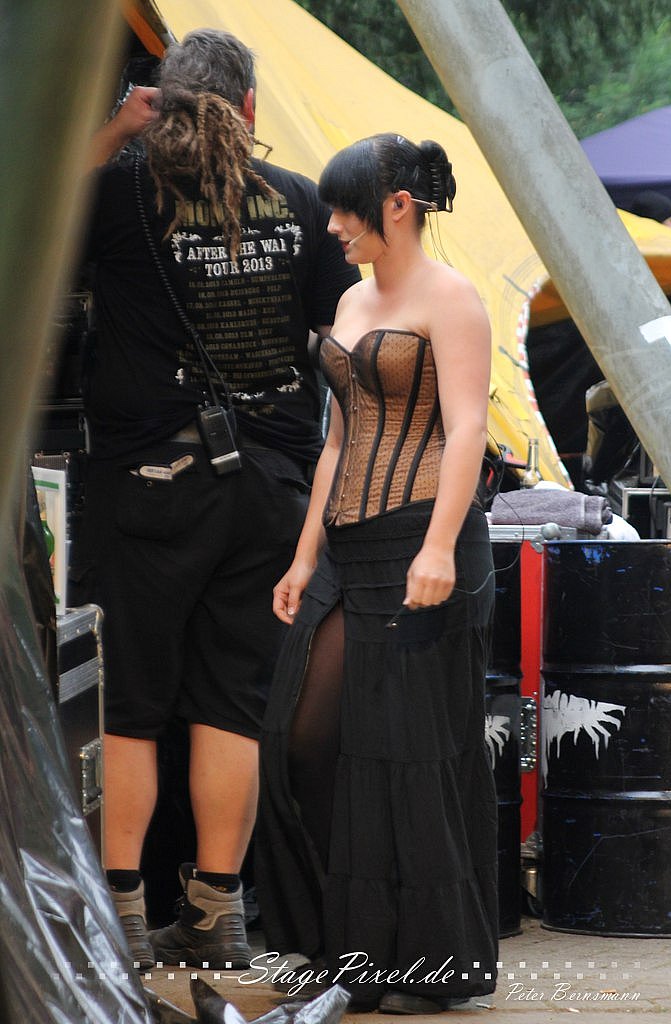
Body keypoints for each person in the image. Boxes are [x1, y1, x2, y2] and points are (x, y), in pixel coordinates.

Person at [72, 29, 359, 970]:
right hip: (272, 487)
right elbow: (347, 336)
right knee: (230, 702)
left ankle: (122, 917)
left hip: (150, 483)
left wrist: (112, 132)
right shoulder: (301, 201)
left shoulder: (121, 192)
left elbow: (26, 226)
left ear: (160, 102)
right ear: (247, 108)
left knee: (131, 702)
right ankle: (215, 914)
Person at [256, 133, 498, 1014]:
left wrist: (437, 548)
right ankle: (343, 948)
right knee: (301, 738)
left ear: (397, 206)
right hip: (345, 550)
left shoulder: (453, 299)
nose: (331, 227)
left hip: (422, 544)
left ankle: (420, 967)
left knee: (409, 753)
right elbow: (339, 440)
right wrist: (303, 555)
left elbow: (465, 429)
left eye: (344, 211)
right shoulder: (352, 299)